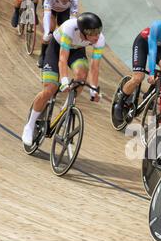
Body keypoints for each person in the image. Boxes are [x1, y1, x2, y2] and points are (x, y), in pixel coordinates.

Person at [22, 12, 105, 146]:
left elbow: (95, 67)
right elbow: (62, 59)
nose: (97, 36)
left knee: (82, 76)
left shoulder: (99, 39)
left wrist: (94, 90)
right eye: (93, 33)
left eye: (98, 32)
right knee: (50, 89)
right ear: (84, 32)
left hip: (77, 52)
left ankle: (66, 109)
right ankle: (30, 125)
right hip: (56, 50)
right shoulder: (69, 29)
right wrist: (65, 80)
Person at [113, 13, 161, 122]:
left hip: (160, 47)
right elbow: (152, 50)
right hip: (143, 43)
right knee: (138, 78)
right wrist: (152, 72)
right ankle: (120, 103)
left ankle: (150, 94)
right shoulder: (157, 27)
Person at [37, 0, 79, 68]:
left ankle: (59, 53)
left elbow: (73, 19)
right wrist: (46, 32)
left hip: (65, 10)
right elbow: (47, 14)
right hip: (51, 9)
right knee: (50, 30)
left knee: (66, 31)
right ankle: (42, 54)